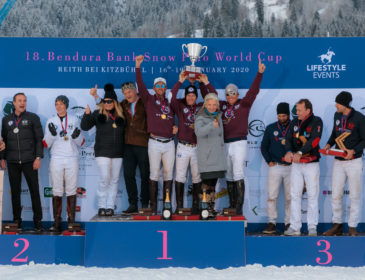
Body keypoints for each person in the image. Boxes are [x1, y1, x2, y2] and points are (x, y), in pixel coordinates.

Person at [200, 60, 265, 215]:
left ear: (237, 94)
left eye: (233, 93)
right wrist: (204, 83)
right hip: (225, 144)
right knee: (228, 174)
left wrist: (259, 74)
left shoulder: (244, 104)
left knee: (237, 173)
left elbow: (253, 91)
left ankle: (239, 208)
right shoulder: (221, 106)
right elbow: (210, 97)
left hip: (239, 143)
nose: (230, 96)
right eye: (228, 94)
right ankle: (232, 205)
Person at [90, 82, 150, 214]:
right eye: (125, 93)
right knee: (128, 175)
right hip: (127, 145)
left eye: (129, 92)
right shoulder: (123, 105)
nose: (127, 95)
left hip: (143, 144)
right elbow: (108, 103)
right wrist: (95, 97)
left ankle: (145, 203)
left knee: (145, 175)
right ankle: (133, 204)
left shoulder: (145, 102)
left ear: (135, 91)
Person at [135, 55, 177, 214]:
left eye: (162, 85)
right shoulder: (148, 99)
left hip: (169, 143)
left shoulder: (170, 102)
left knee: (168, 174)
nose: (160, 87)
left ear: (165, 88)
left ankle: (167, 206)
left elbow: (179, 112)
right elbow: (140, 83)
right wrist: (138, 66)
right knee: (153, 173)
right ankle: (153, 208)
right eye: (157, 85)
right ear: (154, 87)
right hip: (154, 142)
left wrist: (176, 128)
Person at [323, 91, 365, 236]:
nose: (336, 106)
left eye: (338, 103)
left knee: (354, 195)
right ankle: (337, 225)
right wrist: (328, 144)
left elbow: (364, 140)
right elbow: (335, 134)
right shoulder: (337, 116)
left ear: (345, 104)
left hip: (354, 161)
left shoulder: (359, 118)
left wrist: (354, 150)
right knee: (336, 194)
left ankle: (352, 227)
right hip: (338, 161)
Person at [0, 92, 44, 231]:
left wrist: (38, 157)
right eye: (19, 100)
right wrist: (2, 158)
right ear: (13, 103)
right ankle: (16, 222)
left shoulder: (33, 118)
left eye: (24, 100)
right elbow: (3, 141)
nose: (22, 103)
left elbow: (39, 140)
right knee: (15, 193)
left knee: (34, 192)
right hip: (12, 161)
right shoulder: (6, 119)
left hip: (30, 161)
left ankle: (38, 222)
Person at [81, 84, 125, 217]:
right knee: (105, 178)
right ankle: (101, 205)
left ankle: (110, 206)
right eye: (105, 101)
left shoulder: (121, 114)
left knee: (114, 179)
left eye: (110, 101)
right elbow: (85, 126)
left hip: (118, 152)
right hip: (102, 152)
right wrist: (86, 115)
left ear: (115, 102)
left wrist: (96, 96)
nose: (107, 103)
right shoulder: (97, 113)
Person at [43, 95, 85, 232]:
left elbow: (81, 142)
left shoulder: (74, 119)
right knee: (57, 190)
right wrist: (51, 134)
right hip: (56, 158)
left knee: (72, 189)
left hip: (72, 157)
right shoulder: (51, 121)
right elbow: (45, 144)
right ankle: (57, 222)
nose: (59, 106)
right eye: (56, 104)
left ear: (66, 105)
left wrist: (76, 136)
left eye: (61, 104)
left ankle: (71, 221)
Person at [170, 71, 210, 213]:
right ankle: (179, 207)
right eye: (188, 95)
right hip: (182, 146)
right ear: (185, 96)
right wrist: (180, 82)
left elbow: (212, 98)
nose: (191, 97)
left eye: (193, 95)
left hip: (197, 148)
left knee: (196, 177)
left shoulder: (201, 107)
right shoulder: (180, 106)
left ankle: (196, 207)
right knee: (180, 176)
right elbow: (171, 97)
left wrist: (203, 83)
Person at [283, 99, 323, 236]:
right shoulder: (294, 122)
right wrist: (289, 151)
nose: (296, 113)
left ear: (308, 111)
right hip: (296, 165)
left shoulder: (317, 121)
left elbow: (315, 140)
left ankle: (312, 227)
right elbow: (288, 138)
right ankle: (295, 227)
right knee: (295, 195)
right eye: (296, 110)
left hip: (311, 164)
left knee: (312, 195)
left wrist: (300, 152)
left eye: (299, 110)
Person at [260, 102, 291, 234]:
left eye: (284, 115)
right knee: (272, 196)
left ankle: (289, 223)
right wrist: (269, 161)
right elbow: (263, 146)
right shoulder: (271, 128)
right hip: (276, 166)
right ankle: (271, 222)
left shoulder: (294, 127)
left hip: (292, 167)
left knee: (290, 197)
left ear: (288, 115)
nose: (282, 118)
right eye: (279, 115)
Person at [194, 93, 226, 217]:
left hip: (217, 157)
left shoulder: (218, 115)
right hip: (207, 157)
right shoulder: (200, 116)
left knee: (213, 185)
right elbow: (198, 132)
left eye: (214, 104)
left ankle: (211, 209)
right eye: (209, 104)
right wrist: (211, 126)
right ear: (205, 104)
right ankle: (204, 209)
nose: (212, 107)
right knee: (206, 185)